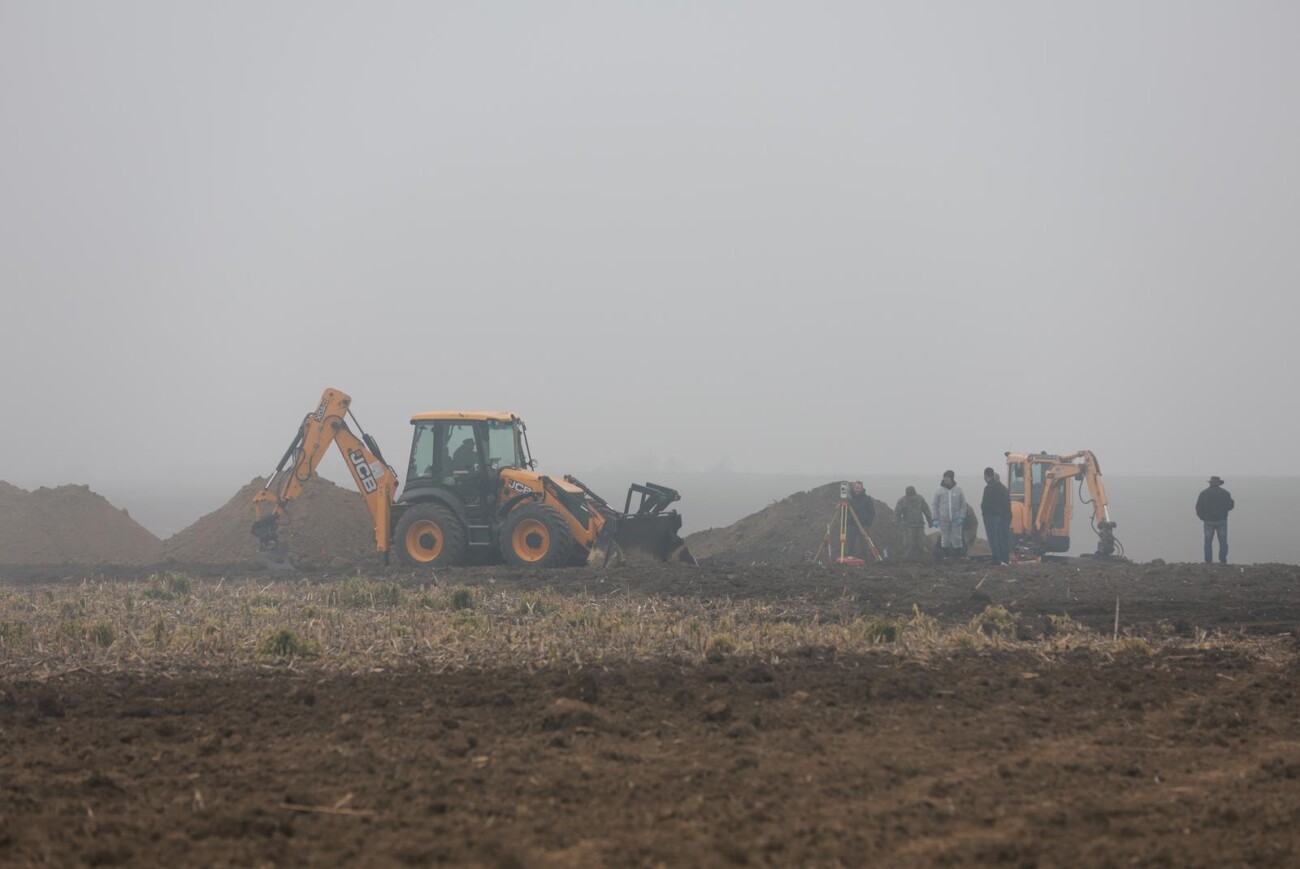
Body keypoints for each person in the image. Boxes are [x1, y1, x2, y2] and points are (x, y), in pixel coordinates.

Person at [1195, 475, 1235, 564]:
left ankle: (1208, 562)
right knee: (1223, 542)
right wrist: (1224, 511)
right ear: (1219, 484)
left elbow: (1198, 508)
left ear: (1210, 483)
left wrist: (1203, 518)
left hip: (1208, 521)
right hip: (1222, 520)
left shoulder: (1203, 493)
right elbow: (1231, 505)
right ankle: (1223, 561)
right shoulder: (1225, 493)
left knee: (1208, 542)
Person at [931, 471, 966, 559]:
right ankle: (945, 556)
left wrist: (961, 516)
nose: (945, 479)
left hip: (956, 519)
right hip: (943, 519)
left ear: (952, 478)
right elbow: (934, 504)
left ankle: (958, 556)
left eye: (947, 477)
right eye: (944, 477)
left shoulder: (958, 490)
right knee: (945, 538)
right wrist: (935, 518)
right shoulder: (939, 490)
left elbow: (963, 504)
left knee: (957, 538)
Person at [981, 467, 1012, 565]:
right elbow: (1006, 504)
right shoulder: (1003, 488)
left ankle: (996, 559)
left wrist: (985, 512)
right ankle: (1005, 559)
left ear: (986, 475)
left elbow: (986, 503)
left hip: (992, 516)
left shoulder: (989, 488)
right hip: (1003, 517)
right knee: (1002, 538)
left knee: (993, 538)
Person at [894, 485, 932, 562]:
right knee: (908, 545)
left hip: (919, 526)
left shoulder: (920, 499)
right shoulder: (902, 501)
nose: (912, 498)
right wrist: (896, 523)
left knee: (921, 544)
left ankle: (921, 560)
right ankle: (908, 561)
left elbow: (926, 510)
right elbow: (897, 513)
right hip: (908, 527)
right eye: (910, 496)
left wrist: (930, 521)